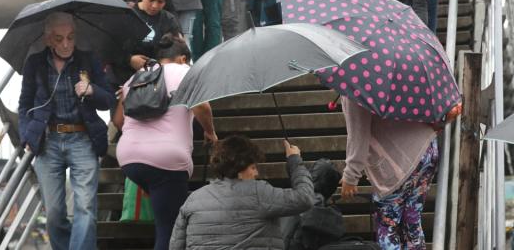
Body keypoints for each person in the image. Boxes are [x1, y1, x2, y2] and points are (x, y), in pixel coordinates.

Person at [18, 12, 113, 250]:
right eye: (59, 39)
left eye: (70, 37)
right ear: (48, 39)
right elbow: (24, 104)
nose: (66, 44)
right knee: (54, 213)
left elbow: (109, 100)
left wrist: (92, 90)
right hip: (48, 141)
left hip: (83, 139)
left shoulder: (88, 59)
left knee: (85, 207)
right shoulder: (35, 63)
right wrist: (26, 134)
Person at [113, 35, 217, 250]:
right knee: (169, 229)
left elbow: (118, 121)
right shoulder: (185, 72)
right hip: (167, 160)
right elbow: (203, 107)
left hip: (129, 159)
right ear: (182, 58)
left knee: (167, 217)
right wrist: (210, 132)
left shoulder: (137, 77)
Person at [169, 135, 316, 249]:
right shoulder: (258, 193)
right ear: (240, 167)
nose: (256, 173)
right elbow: (305, 198)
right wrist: (294, 160)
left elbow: (176, 245)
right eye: (253, 167)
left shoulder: (193, 199)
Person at [341, 96, 438, 249]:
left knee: (388, 227)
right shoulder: (393, 73)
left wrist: (351, 175)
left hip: (397, 165)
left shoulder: (353, 86)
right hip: (425, 149)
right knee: (412, 221)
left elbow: (359, 134)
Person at [110, 0, 182, 82]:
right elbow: (108, 48)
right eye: (151, 0)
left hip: (155, 80)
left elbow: (178, 52)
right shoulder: (125, 15)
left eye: (160, 2)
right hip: (123, 77)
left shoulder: (169, 20)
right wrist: (129, 60)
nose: (154, 6)